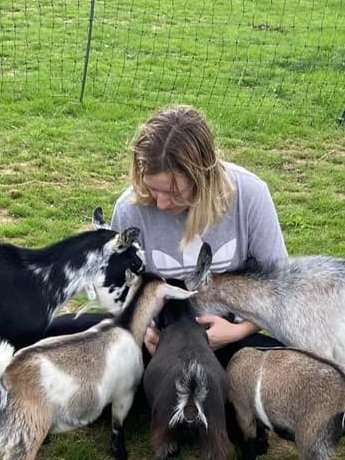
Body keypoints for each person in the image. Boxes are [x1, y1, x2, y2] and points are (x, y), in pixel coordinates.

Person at [46, 105, 287, 364]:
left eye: (174, 192)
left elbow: (281, 287)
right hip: (160, 339)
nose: (160, 203)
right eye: (152, 189)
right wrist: (143, 329)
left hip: (226, 338)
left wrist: (237, 331)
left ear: (202, 178)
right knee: (55, 330)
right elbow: (122, 288)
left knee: (295, 364)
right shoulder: (129, 209)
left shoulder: (250, 195)